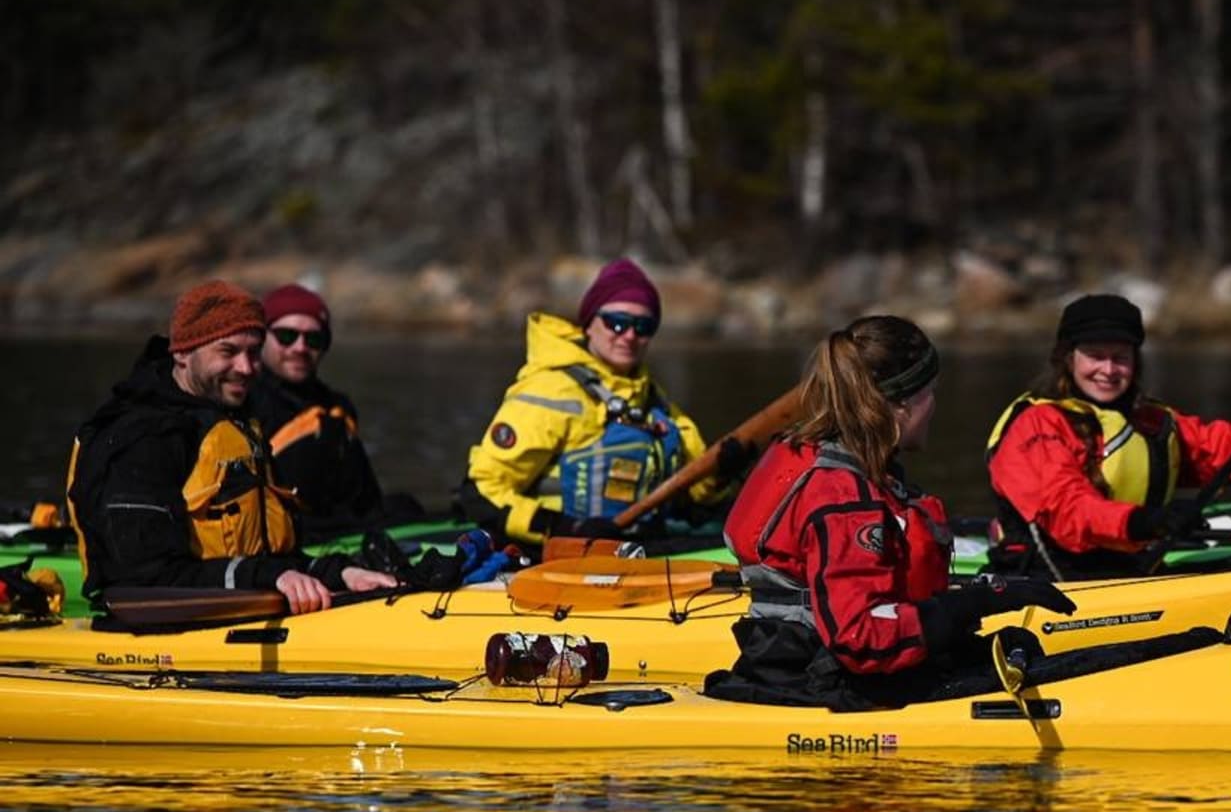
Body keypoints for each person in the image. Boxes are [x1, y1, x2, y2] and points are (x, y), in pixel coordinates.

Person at [705, 315, 1074, 710]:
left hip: (803, 664)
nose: (934, 406)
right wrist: (980, 602)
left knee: (1016, 646)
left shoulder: (834, 463)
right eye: (930, 392)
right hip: (817, 678)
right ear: (899, 407)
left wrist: (982, 596)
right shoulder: (844, 500)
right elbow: (862, 638)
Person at [65, 280, 397, 614]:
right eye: (228, 352)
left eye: (253, 352)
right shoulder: (141, 437)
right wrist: (269, 575)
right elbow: (142, 579)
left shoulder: (237, 423)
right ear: (182, 352)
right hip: (157, 633)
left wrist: (340, 573)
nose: (247, 367)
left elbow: (270, 558)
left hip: (238, 611)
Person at [984, 292, 1231, 578]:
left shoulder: (1152, 421)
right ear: (1067, 358)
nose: (1108, 370)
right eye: (1095, 356)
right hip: (1047, 583)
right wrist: (1149, 522)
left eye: (1120, 358)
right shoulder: (1037, 424)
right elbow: (1068, 512)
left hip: (1131, 574)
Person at [461, 257, 734, 546]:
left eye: (644, 326)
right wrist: (565, 528)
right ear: (589, 324)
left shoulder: (657, 404)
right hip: (554, 555)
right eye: (617, 323)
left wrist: (720, 475)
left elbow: (693, 505)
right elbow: (481, 492)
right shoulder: (551, 392)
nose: (629, 335)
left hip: (636, 550)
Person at [245, 282, 387, 533]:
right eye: (286, 336)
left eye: (313, 339)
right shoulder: (244, 403)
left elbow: (368, 499)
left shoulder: (338, 408)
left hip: (343, 528)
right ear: (261, 338)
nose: (300, 348)